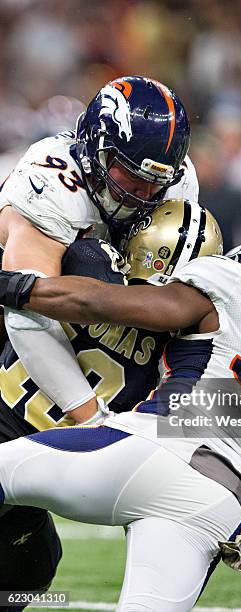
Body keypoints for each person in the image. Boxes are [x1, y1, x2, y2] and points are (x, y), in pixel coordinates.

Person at [0, 239, 241, 611]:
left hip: (156, 454)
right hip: (223, 505)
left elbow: (98, 304)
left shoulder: (236, 286)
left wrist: (17, 287)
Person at [0, 198, 221, 602]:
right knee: (30, 567)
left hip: (33, 435)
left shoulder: (88, 261)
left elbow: (33, 305)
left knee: (31, 567)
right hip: (55, 450)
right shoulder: (183, 347)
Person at [0, 75, 197, 427]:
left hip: (96, 324)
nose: (145, 195)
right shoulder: (51, 184)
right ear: (95, 149)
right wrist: (93, 421)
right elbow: (25, 311)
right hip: (12, 314)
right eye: (131, 178)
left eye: (155, 183)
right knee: (89, 266)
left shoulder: (176, 183)